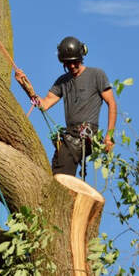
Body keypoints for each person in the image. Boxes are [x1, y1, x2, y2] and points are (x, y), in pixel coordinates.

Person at [30, 36, 117, 178]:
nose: (71, 66)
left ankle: (63, 193)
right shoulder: (63, 81)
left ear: (81, 57)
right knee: (58, 164)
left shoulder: (96, 75)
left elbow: (112, 103)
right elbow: (45, 103)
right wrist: (26, 87)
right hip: (70, 134)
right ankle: (65, 195)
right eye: (67, 63)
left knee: (62, 170)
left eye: (74, 62)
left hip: (87, 133)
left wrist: (109, 136)